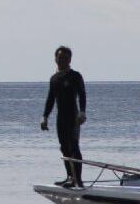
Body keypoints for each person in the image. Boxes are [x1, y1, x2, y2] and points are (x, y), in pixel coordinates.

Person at [42, 46, 87, 188]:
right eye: (60, 57)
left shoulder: (75, 76)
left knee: (74, 146)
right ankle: (69, 177)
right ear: (56, 59)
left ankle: (78, 179)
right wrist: (45, 117)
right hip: (60, 118)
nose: (62, 60)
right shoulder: (54, 78)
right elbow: (50, 99)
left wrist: (82, 112)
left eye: (65, 58)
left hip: (74, 117)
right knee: (64, 148)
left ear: (70, 60)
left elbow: (82, 95)